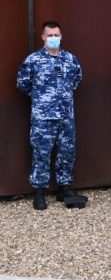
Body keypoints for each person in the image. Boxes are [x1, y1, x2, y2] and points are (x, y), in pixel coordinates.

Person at [16, 21, 86, 210]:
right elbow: (23, 83)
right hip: (43, 117)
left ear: (61, 36)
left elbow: (77, 80)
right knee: (41, 154)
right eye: (50, 35)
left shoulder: (71, 60)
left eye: (57, 35)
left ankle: (64, 188)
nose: (54, 38)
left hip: (65, 116)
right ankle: (39, 192)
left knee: (67, 152)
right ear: (43, 37)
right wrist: (40, 98)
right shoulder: (33, 60)